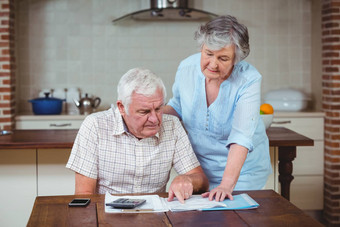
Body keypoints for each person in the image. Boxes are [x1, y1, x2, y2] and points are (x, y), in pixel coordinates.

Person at [163, 15, 272, 202]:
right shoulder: (186, 68)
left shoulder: (249, 80)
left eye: (223, 58)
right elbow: (177, 106)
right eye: (208, 54)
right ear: (201, 47)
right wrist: (150, 113)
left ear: (236, 59)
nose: (213, 64)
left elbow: (241, 137)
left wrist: (226, 185)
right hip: (200, 171)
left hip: (242, 174)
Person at [66, 68, 209, 203]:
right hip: (106, 217)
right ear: (122, 107)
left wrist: (188, 180)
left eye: (159, 108)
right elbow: (84, 195)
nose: (155, 119)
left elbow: (201, 180)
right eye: (144, 112)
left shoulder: (172, 126)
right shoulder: (95, 126)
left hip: (154, 217)